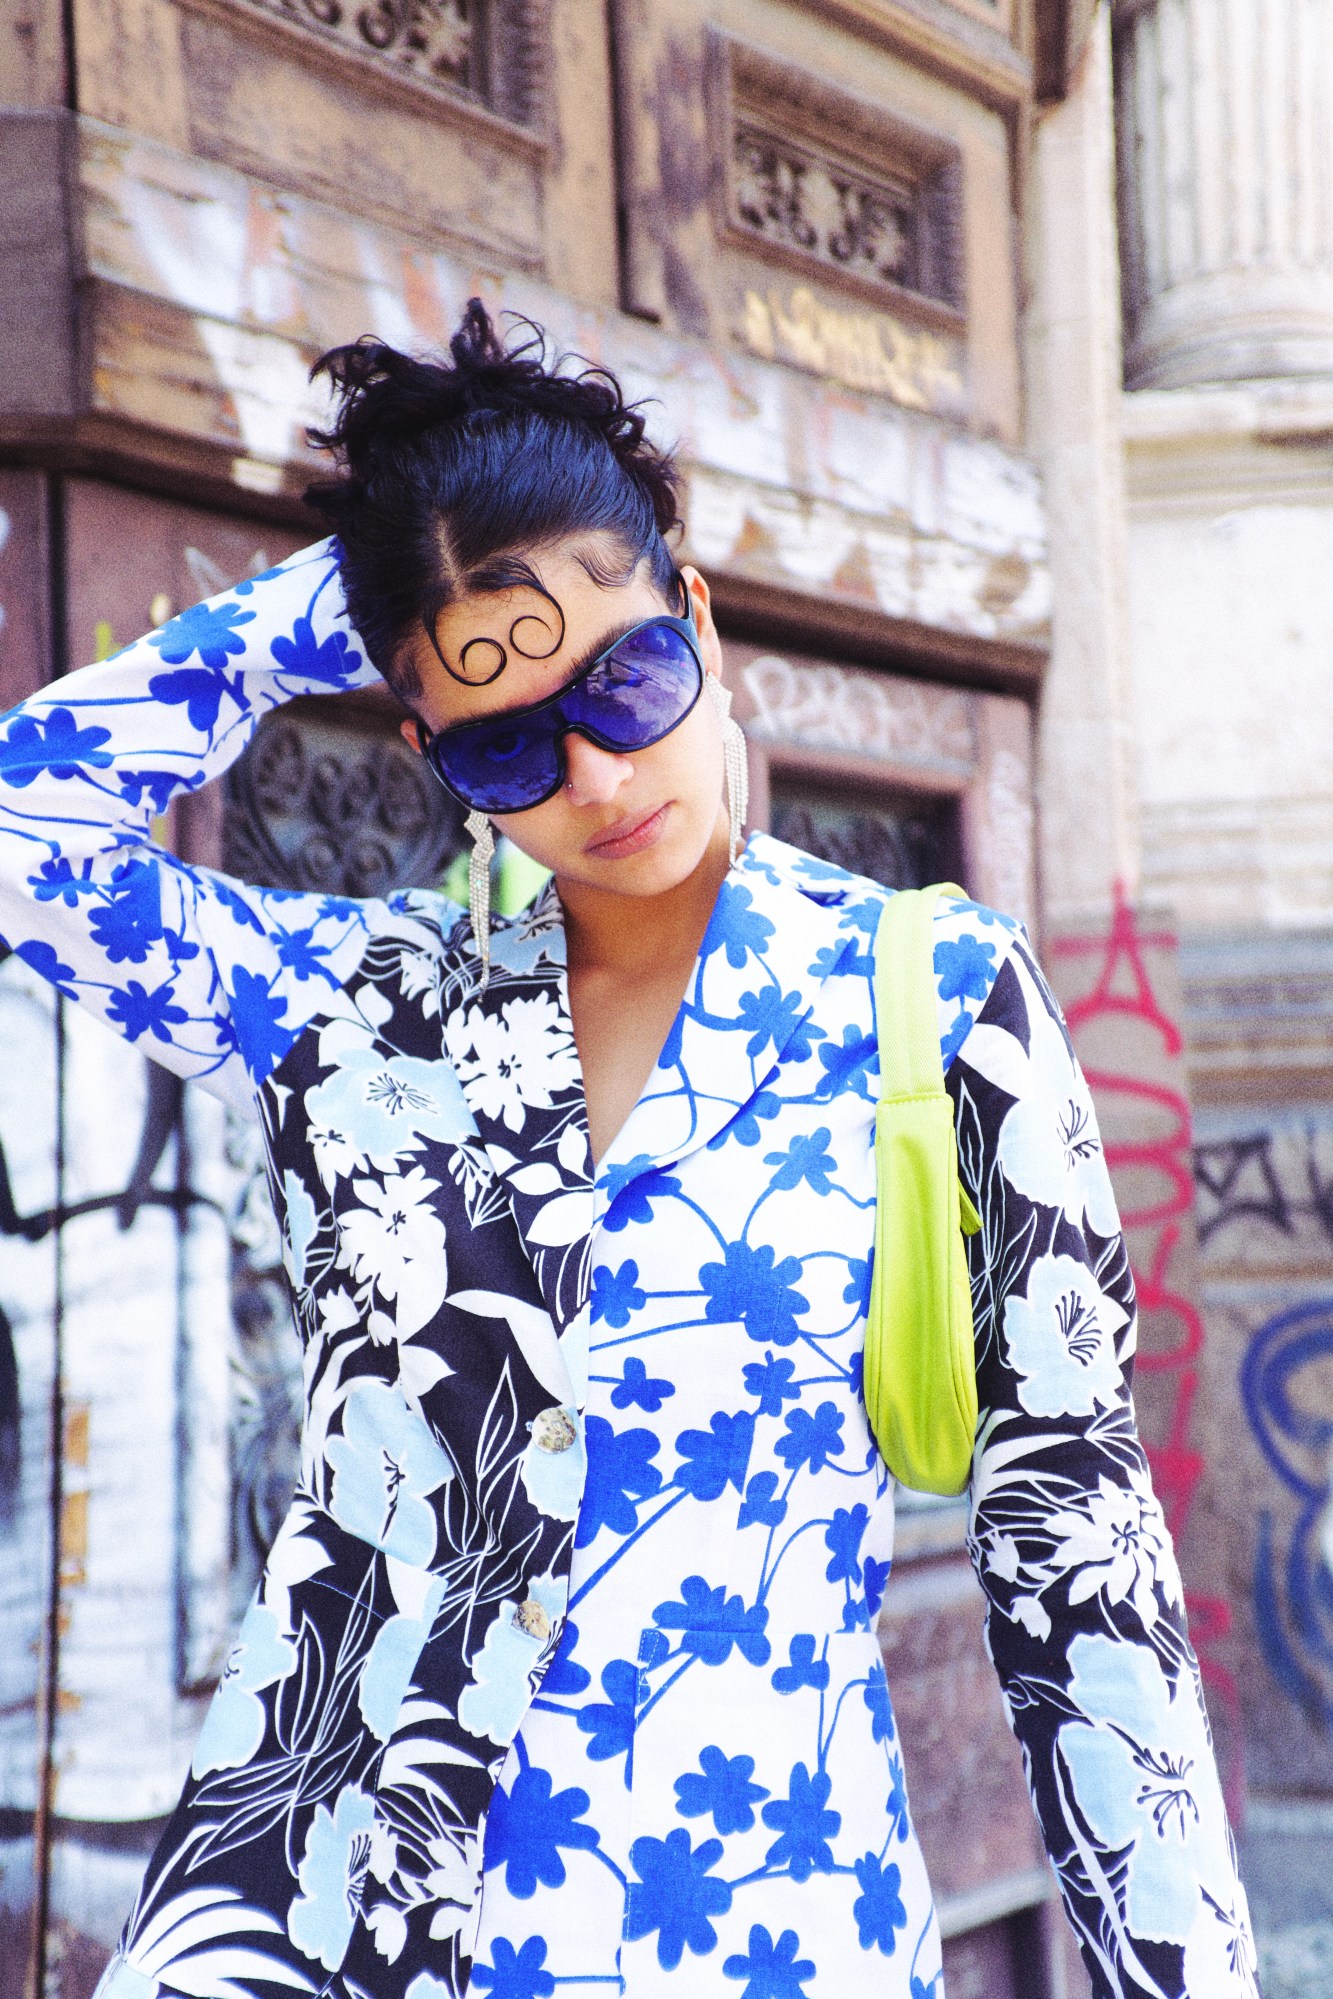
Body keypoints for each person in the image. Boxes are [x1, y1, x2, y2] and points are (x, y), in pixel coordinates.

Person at [0, 302, 1257, 1999]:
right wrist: (365, 594)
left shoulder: (932, 997)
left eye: (627, 675)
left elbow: (1076, 1555)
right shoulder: (364, 1012)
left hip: (758, 1927)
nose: (594, 772)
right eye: (510, 738)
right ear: (435, 757)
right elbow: (31, 832)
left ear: (702, 615)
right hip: (332, 1932)